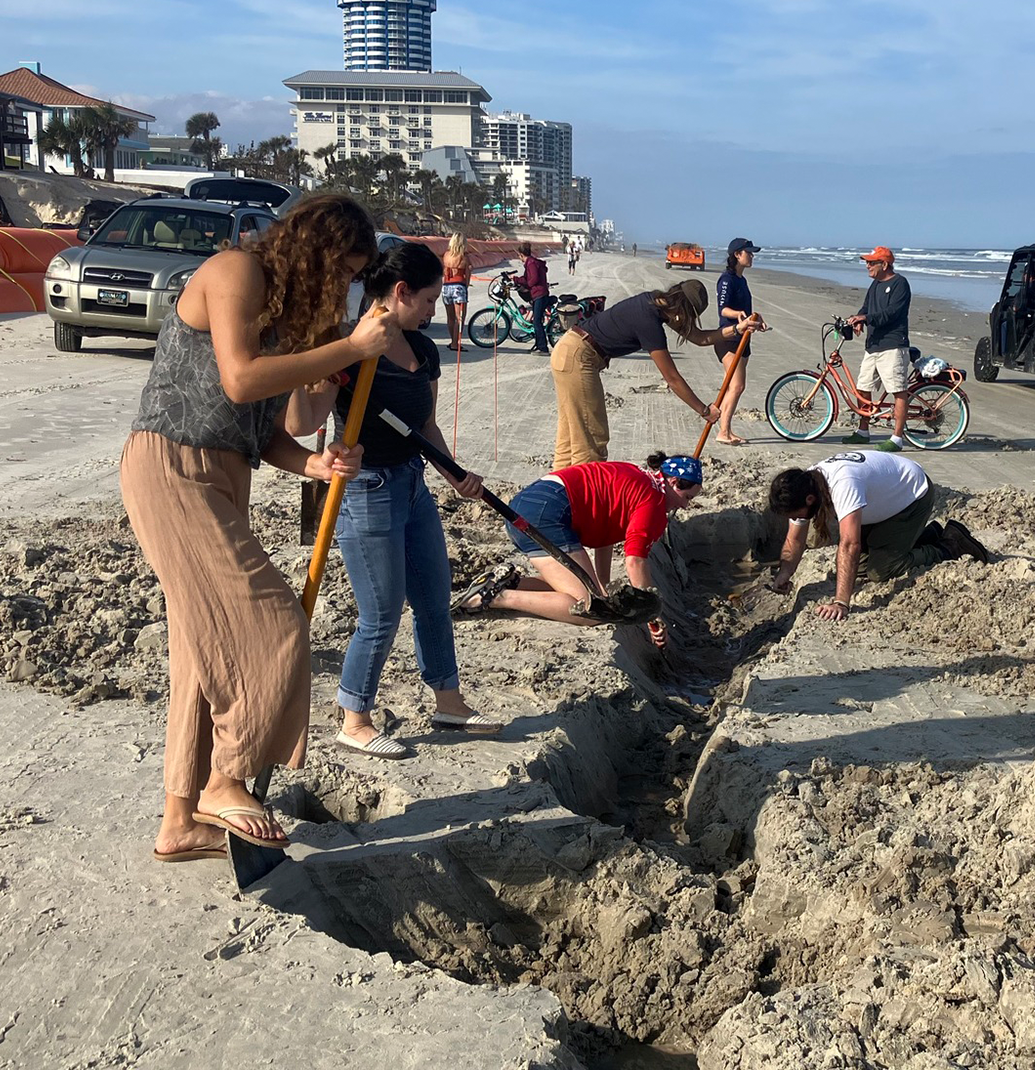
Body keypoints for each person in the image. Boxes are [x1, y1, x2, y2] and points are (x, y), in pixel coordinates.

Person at [119, 193, 402, 861]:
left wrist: (315, 462)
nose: (344, 286)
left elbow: (272, 429)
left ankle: (180, 821)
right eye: (343, 270)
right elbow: (241, 380)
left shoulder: (286, 314)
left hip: (224, 473)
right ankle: (227, 776)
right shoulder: (234, 272)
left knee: (199, 653)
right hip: (170, 466)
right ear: (317, 250)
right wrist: (347, 342)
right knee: (275, 623)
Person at [285, 242, 501, 758]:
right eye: (429, 299)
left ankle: (449, 701)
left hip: (411, 483)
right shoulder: (349, 347)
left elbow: (425, 425)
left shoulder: (422, 350)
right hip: (365, 491)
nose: (434, 309)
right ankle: (354, 718)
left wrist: (454, 475)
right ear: (400, 292)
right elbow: (300, 422)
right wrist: (312, 365)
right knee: (381, 611)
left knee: (432, 598)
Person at [454, 453, 705, 648]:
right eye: (687, 498)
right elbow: (636, 561)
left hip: (530, 502)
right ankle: (497, 598)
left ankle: (509, 584)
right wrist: (653, 614)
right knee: (591, 611)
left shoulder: (639, 476)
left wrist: (602, 585)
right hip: (548, 516)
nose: (684, 506)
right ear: (673, 483)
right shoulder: (654, 502)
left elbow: (606, 532)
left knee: (588, 591)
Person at [548, 279, 761, 469]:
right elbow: (673, 379)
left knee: (570, 438)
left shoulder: (655, 303)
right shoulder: (648, 321)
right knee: (592, 438)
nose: (687, 324)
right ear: (681, 311)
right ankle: (582, 503)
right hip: (578, 357)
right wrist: (704, 410)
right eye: (689, 317)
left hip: (570, 351)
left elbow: (699, 338)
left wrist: (737, 329)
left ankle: (557, 493)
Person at [764, 450, 992, 621]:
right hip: (884, 502)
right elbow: (795, 539)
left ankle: (951, 546)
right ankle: (929, 535)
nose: (798, 518)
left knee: (881, 570)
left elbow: (849, 544)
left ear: (809, 500)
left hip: (912, 496)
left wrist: (841, 603)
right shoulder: (807, 485)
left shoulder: (843, 484)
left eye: (796, 514)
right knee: (860, 568)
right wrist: (785, 573)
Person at [840, 245, 913, 452]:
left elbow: (892, 313)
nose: (867, 266)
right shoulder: (874, 285)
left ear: (885, 264)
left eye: (872, 262)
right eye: (867, 262)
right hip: (873, 345)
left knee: (898, 390)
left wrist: (867, 318)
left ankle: (897, 439)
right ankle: (863, 432)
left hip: (893, 345)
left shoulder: (900, 284)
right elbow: (866, 308)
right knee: (863, 387)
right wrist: (860, 318)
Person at [712, 238, 764, 446]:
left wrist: (756, 321)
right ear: (737, 255)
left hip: (744, 338)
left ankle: (725, 428)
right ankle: (723, 431)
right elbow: (722, 309)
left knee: (733, 385)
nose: (752, 256)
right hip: (728, 337)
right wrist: (739, 314)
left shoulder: (742, 281)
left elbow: (746, 313)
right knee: (737, 385)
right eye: (748, 253)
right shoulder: (727, 280)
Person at [513, 241, 553, 353]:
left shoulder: (531, 264)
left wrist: (527, 285)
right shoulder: (532, 262)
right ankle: (538, 344)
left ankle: (543, 347)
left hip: (539, 294)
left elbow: (533, 279)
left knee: (537, 322)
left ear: (521, 254)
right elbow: (527, 278)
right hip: (540, 293)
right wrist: (516, 279)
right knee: (537, 320)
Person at [440, 232, 472, 352]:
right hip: (459, 286)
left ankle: (452, 341)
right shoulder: (464, 257)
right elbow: (467, 275)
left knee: (450, 317)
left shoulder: (446, 255)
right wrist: (466, 287)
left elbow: (444, 272)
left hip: (446, 286)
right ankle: (455, 343)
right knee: (460, 318)